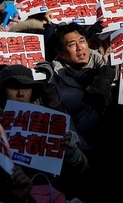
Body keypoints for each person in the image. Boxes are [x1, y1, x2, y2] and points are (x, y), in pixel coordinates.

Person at [36, 22, 115, 150]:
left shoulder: (109, 67)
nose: (79, 47)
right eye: (72, 44)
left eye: (82, 41)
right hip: (79, 150)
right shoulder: (53, 80)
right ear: (61, 53)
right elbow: (62, 121)